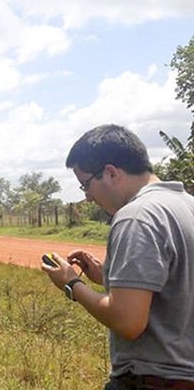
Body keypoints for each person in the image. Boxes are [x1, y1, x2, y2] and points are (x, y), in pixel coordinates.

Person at [42, 124, 194, 389]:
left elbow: (128, 321)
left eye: (85, 185)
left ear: (110, 173)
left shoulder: (137, 216)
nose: (88, 197)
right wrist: (107, 276)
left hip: (153, 380)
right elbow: (177, 287)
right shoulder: (186, 206)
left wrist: (71, 284)